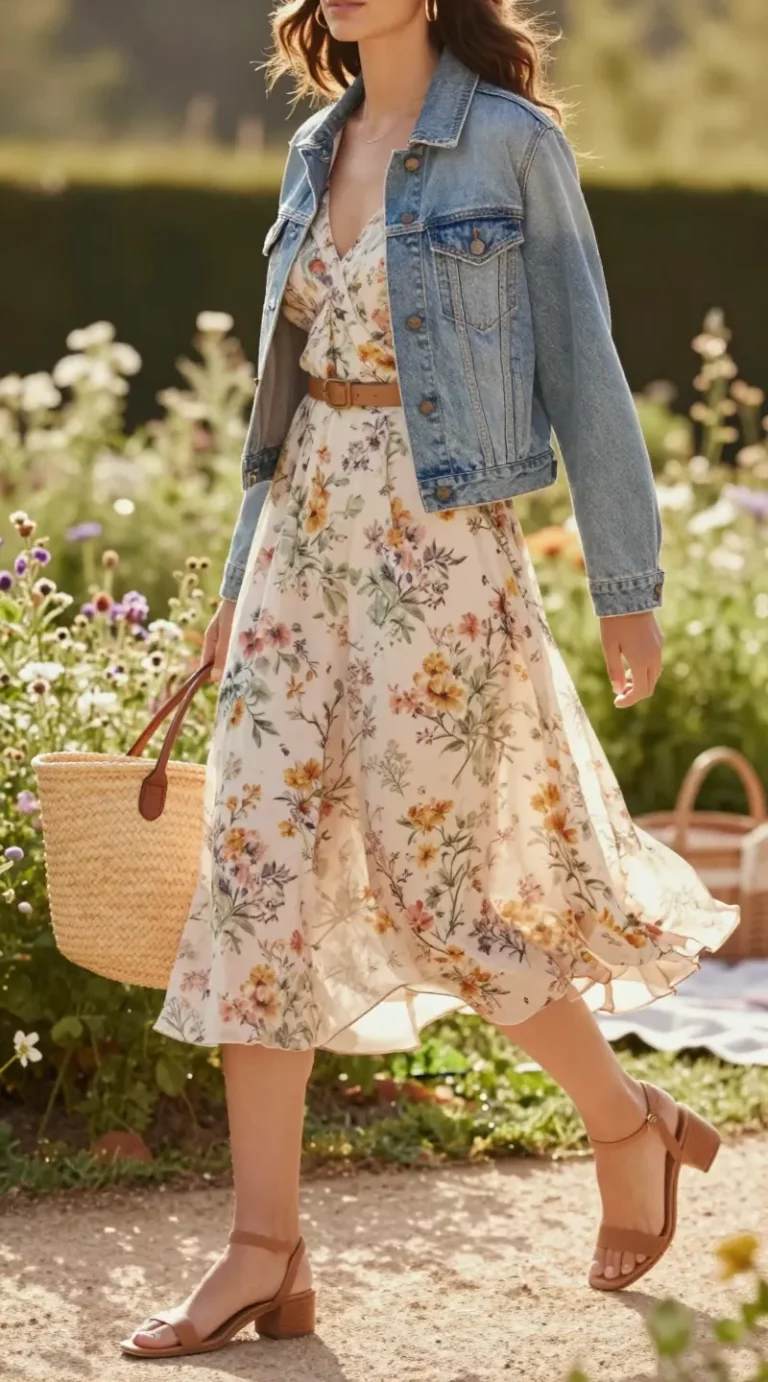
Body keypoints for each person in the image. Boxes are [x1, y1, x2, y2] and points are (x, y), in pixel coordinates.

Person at [122, 0, 737, 1359]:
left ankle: (626, 1122)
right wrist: (231, 595)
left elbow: (586, 363)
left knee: (438, 891)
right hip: (298, 552)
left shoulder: (510, 143)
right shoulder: (311, 149)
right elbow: (273, 412)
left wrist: (628, 590)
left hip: (438, 546)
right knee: (255, 875)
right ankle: (263, 1249)